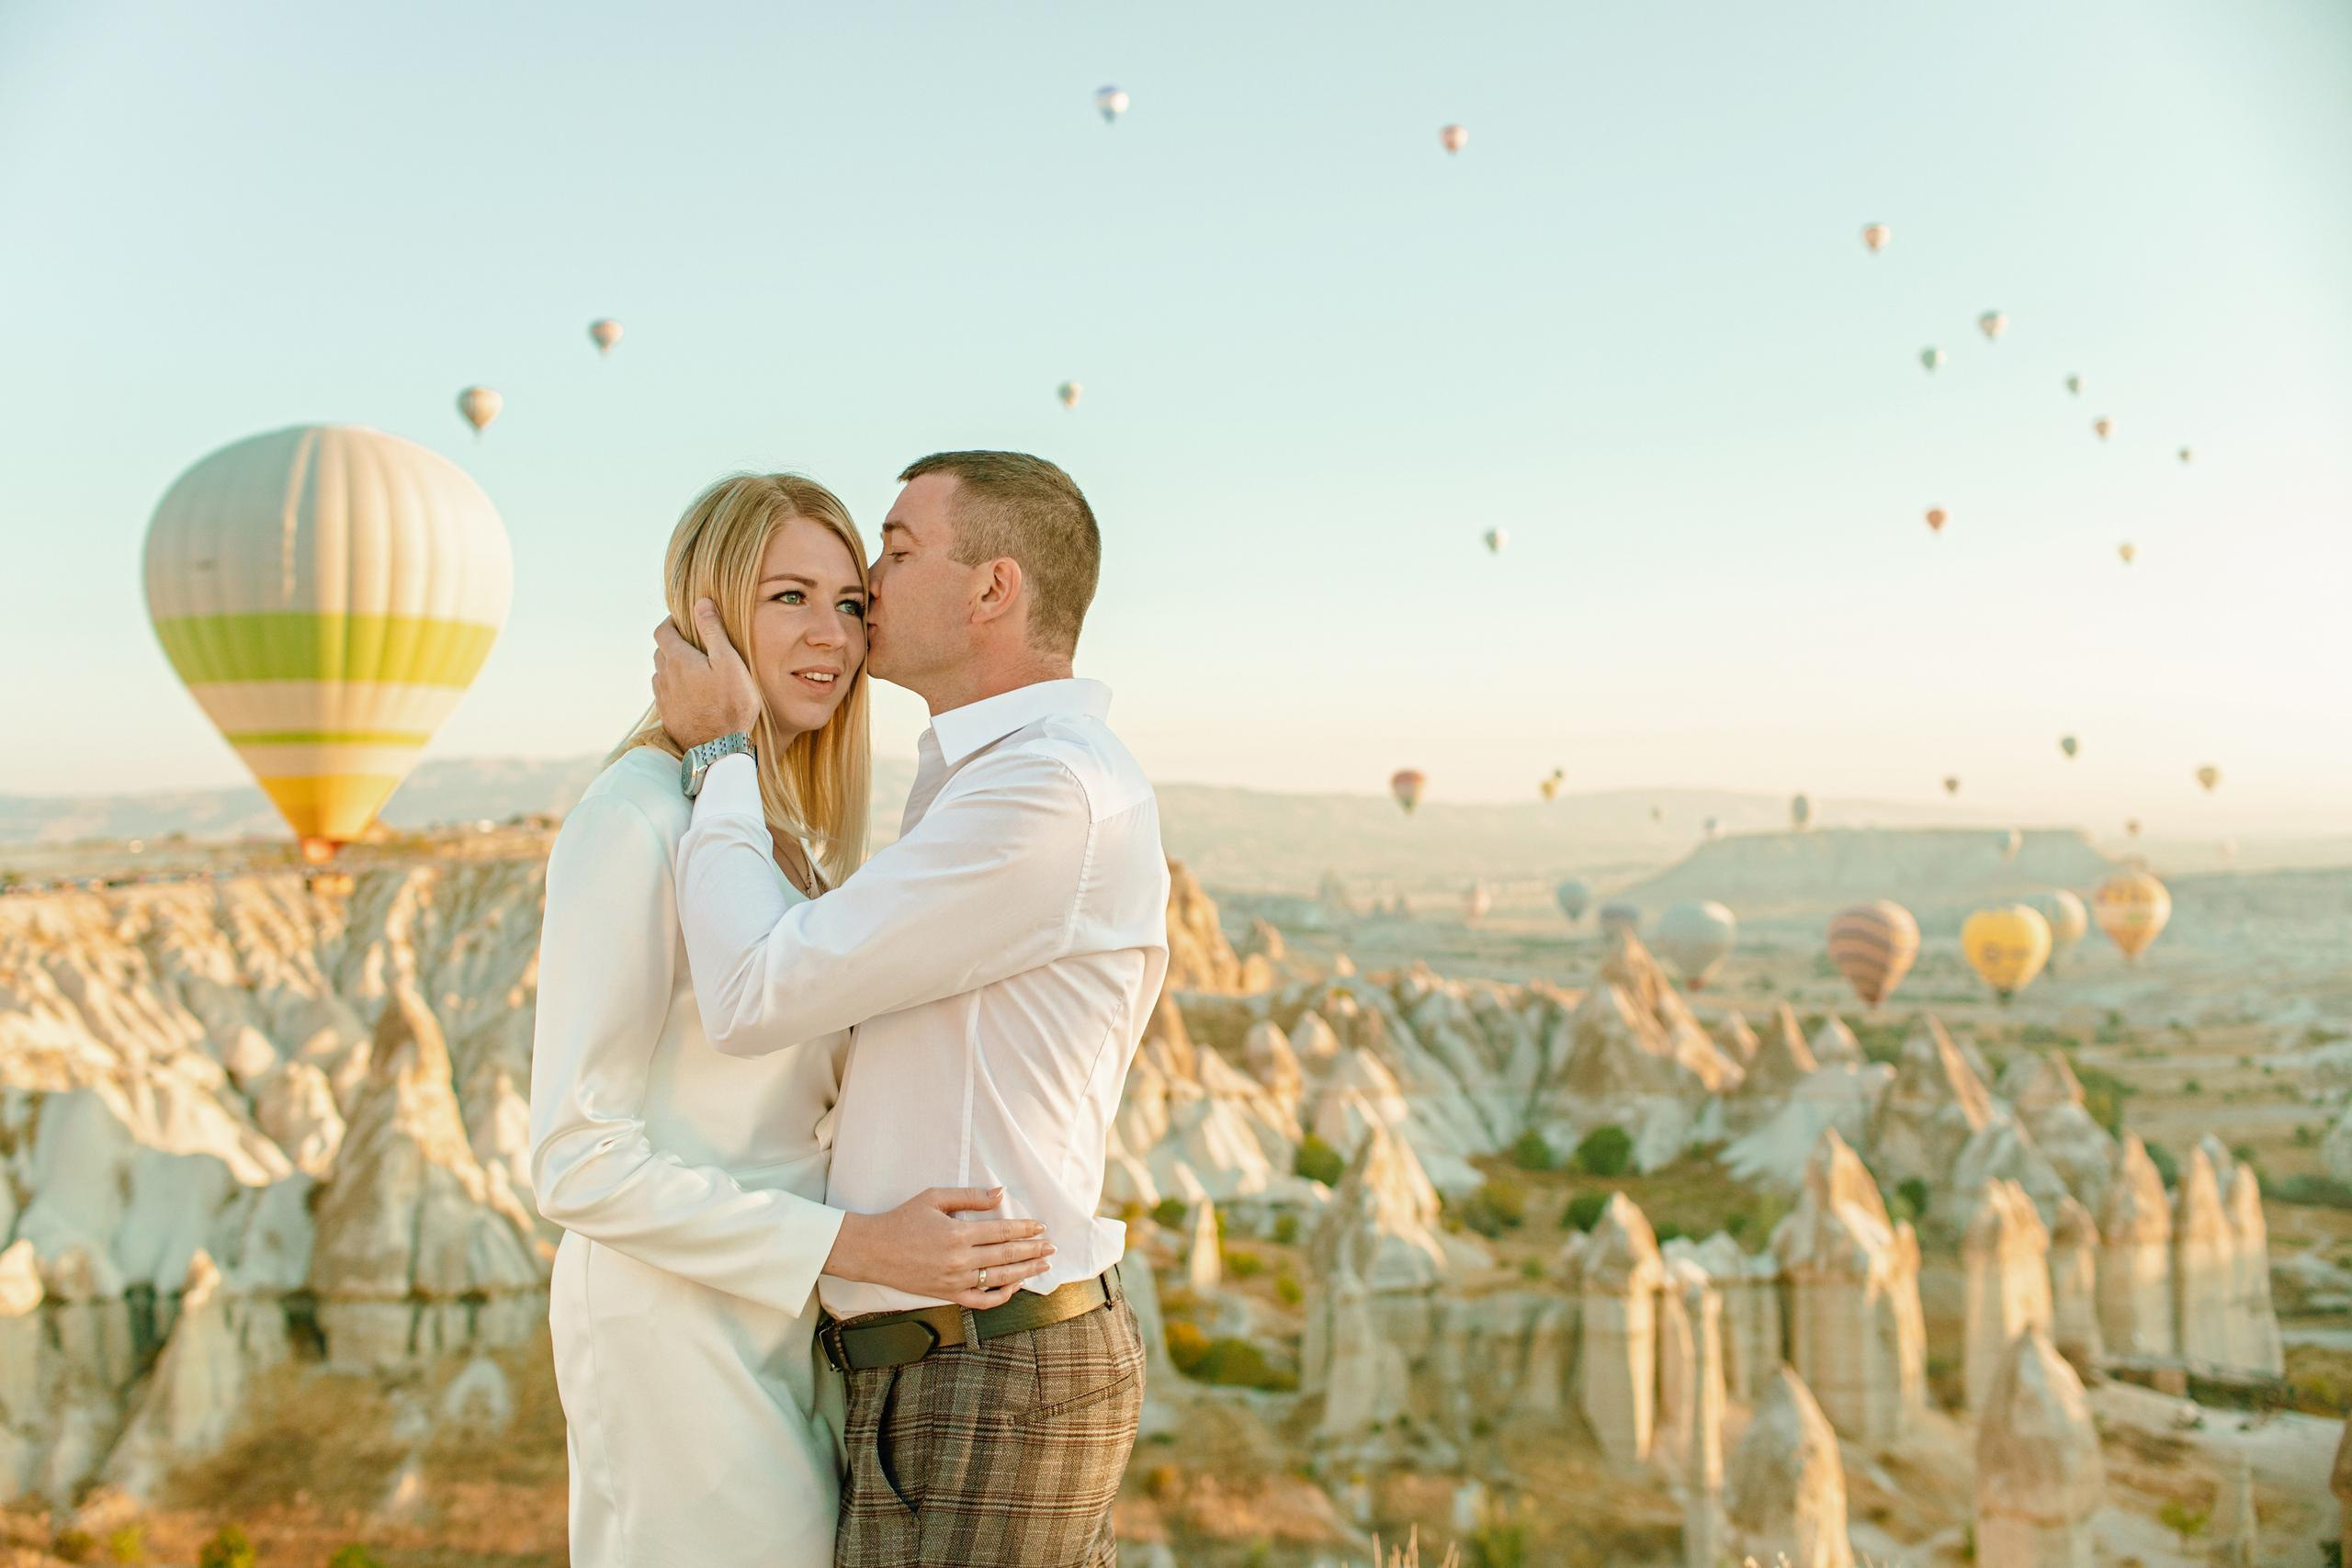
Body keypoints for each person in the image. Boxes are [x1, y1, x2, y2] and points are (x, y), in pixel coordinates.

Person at [530, 472, 1057, 1568]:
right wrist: (859, 1243)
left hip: (778, 1326)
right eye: (787, 599)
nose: (833, 636)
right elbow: (573, 1161)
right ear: (706, 615)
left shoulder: (779, 836)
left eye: (851, 603)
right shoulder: (634, 819)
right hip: (670, 1333)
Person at [653, 450, 1168, 1568]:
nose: (868, 589)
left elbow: (753, 993)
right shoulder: (982, 776)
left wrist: (715, 756)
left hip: (988, 1370)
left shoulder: (1044, 792)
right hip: (945, 1362)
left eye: (895, 552)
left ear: (993, 591)